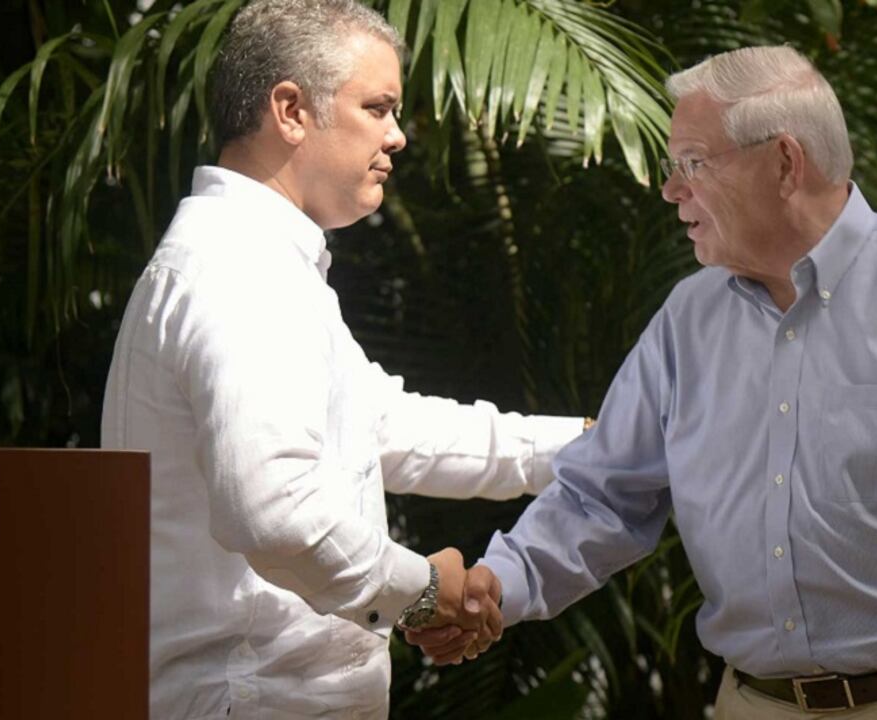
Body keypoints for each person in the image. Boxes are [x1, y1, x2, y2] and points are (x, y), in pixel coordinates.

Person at [408, 45, 877, 719]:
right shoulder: (687, 322)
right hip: (758, 704)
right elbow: (603, 494)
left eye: (692, 161)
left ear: (784, 163)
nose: (670, 189)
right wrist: (496, 587)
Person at [100, 1, 580, 717]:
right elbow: (275, 513)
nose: (398, 136)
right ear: (290, 110)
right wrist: (423, 590)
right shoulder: (241, 272)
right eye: (378, 107)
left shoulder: (258, 260)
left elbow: (385, 426)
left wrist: (592, 446)